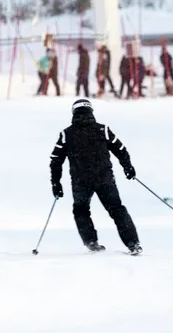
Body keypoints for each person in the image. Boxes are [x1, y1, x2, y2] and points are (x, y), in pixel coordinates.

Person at [49, 99, 142, 255]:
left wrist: (56, 183)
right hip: (104, 178)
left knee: (81, 210)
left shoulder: (67, 134)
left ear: (74, 113)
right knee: (117, 210)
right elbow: (120, 149)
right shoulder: (103, 130)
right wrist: (128, 167)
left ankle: (91, 241)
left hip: (80, 181)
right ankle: (133, 244)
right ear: (91, 111)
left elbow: (55, 160)